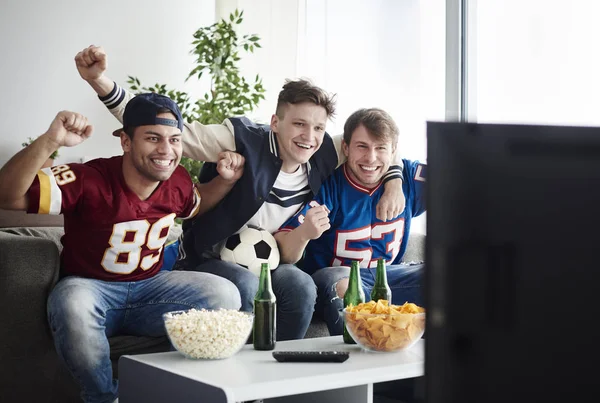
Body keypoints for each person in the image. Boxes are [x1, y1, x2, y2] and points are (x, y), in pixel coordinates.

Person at [75, 45, 406, 341]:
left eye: (318, 127)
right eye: (299, 124)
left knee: (302, 287)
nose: (309, 136)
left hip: (273, 259)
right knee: (245, 286)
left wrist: (393, 180)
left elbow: (381, 147)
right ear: (275, 122)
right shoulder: (242, 139)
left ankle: (282, 374)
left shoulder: (327, 151)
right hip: (214, 257)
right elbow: (175, 131)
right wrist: (100, 82)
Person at [0, 94, 244, 403]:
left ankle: (176, 388)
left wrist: (226, 181)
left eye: (174, 139)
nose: (166, 150)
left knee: (225, 294)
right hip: (91, 287)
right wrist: (50, 141)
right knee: (72, 302)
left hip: (151, 289)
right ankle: (103, 397)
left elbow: (197, 204)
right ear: (126, 142)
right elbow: (6, 196)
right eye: (153, 138)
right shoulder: (88, 178)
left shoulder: (178, 180)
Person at [275, 108, 426, 336]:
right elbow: (284, 249)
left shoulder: (409, 177)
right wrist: (305, 232)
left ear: (393, 151)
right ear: (346, 147)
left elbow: (462, 180)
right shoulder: (328, 187)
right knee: (346, 285)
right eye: (362, 146)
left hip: (389, 277)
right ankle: (363, 364)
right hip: (335, 278)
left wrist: (395, 180)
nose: (371, 158)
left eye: (380, 148)